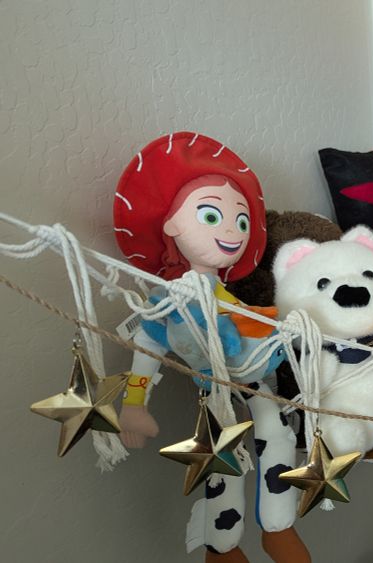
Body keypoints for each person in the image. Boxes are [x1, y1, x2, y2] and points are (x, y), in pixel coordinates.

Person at [113, 132, 307, 563]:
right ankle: (222, 544)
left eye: (241, 222)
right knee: (223, 456)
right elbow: (148, 340)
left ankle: (278, 526)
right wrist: (134, 403)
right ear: (171, 225)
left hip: (254, 379)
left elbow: (246, 319)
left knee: (276, 435)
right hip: (216, 388)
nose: (231, 232)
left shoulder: (224, 294)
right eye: (211, 215)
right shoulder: (172, 298)